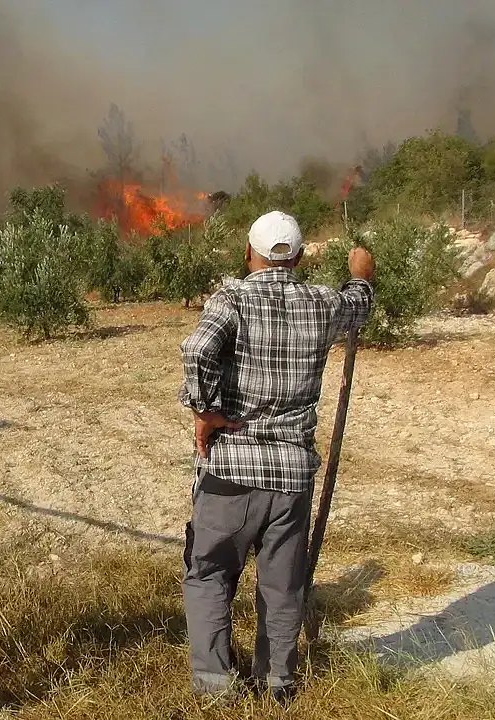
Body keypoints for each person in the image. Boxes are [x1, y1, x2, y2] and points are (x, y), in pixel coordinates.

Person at [178, 210, 375, 706]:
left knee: (210, 575)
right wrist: (361, 274)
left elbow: (197, 350)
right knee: (282, 585)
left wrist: (205, 410)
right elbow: (359, 305)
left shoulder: (232, 299)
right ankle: (277, 685)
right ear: (300, 257)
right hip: (290, 479)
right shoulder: (322, 304)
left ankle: (216, 690)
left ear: (249, 253)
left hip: (229, 473)